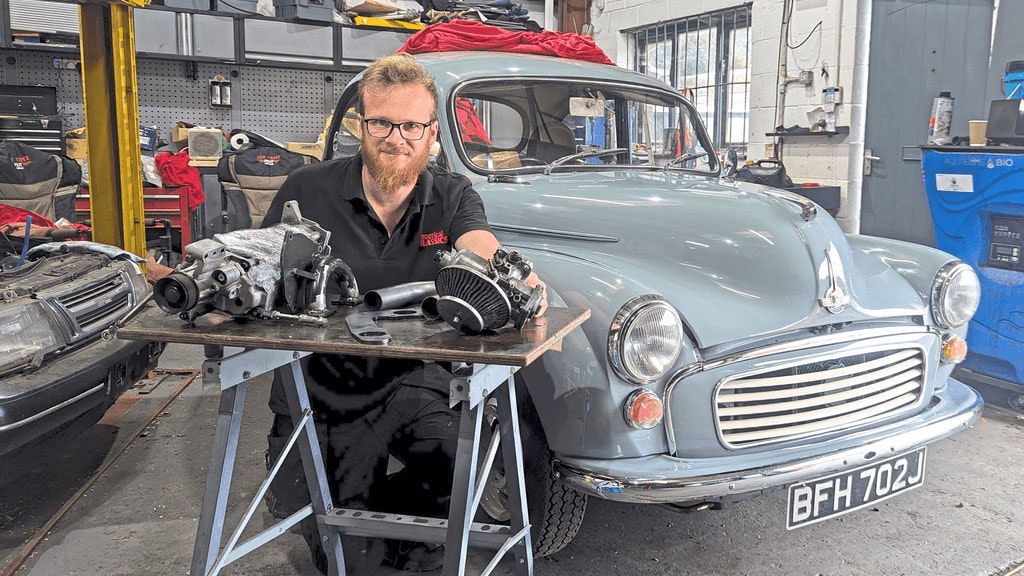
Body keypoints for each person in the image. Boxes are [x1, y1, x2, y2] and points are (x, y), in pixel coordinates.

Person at [261, 53, 546, 574]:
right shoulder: (307, 191)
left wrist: (511, 274)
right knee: (342, 552)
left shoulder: (451, 194)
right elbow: (262, 262)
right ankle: (366, 532)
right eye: (382, 123)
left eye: (412, 125)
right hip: (326, 390)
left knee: (463, 471)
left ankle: (404, 537)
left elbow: (477, 242)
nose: (397, 138)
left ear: (432, 131)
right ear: (361, 126)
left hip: (416, 380)